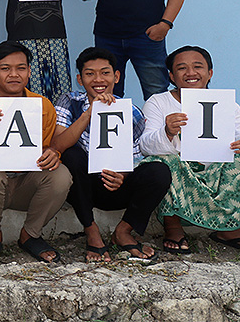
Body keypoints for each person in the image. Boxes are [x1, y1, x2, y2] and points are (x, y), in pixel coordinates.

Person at [138, 46, 240, 256]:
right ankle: (173, 225)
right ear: (171, 76)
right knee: (163, 163)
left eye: (198, 67)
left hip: (215, 172)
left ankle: (230, 228)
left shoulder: (226, 103)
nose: (190, 73)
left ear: (210, 73)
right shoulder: (158, 102)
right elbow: (144, 146)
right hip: (181, 173)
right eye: (181, 68)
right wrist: (166, 132)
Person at [52, 47, 170, 261]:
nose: (98, 79)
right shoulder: (68, 101)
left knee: (159, 171)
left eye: (105, 73)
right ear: (80, 79)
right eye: (90, 74)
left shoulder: (131, 111)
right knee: (71, 156)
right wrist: (89, 114)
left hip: (119, 185)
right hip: (84, 187)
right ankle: (91, 230)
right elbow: (57, 145)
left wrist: (123, 175)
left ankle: (123, 231)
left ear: (116, 76)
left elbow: (138, 157)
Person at [0, 41, 71, 265]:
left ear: (29, 71)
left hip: (27, 184)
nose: (14, 74)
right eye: (5, 68)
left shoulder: (43, 105)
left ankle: (30, 234)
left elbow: (47, 148)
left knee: (61, 174)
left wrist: (52, 154)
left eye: (21, 68)